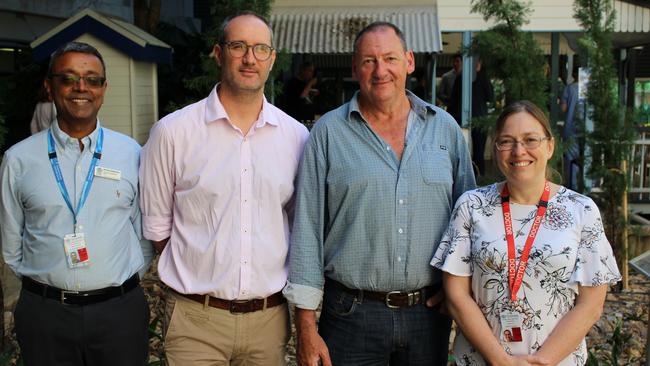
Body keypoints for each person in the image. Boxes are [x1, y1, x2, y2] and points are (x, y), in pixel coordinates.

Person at [284, 21, 476, 366]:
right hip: (349, 316)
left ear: (409, 61)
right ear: (355, 68)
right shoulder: (328, 133)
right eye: (369, 61)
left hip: (428, 315)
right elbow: (307, 229)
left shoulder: (445, 129)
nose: (380, 70)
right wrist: (306, 325)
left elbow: (470, 221)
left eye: (389, 58)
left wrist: (461, 292)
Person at [139, 11, 309, 365]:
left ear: (272, 58)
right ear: (218, 53)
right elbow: (158, 229)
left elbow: (296, 224)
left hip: (268, 322)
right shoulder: (172, 133)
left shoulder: (297, 138)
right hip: (195, 321)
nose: (250, 58)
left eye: (261, 48)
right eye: (238, 46)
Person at [431, 100, 621, 366]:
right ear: (496, 149)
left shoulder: (581, 210)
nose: (519, 151)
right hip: (480, 359)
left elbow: (591, 304)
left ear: (550, 146)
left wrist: (543, 361)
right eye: (506, 141)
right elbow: (456, 294)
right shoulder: (471, 206)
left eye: (530, 139)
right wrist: (500, 361)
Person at [0, 41, 153, 366]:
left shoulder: (131, 154)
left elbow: (143, 232)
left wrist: (115, 284)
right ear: (49, 85)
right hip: (45, 315)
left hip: (118, 314)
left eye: (92, 79)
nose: (81, 87)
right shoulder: (18, 160)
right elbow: (12, 245)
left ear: (104, 88)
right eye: (68, 78)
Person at [471, 59, 494, 176]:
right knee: (476, 152)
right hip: (474, 117)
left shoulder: (482, 78)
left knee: (479, 152)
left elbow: (490, 96)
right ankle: (478, 175)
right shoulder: (465, 77)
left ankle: (480, 175)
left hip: (480, 119)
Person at [561, 67, 581, 190]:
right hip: (586, 130)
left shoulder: (569, 88)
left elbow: (563, 108)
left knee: (571, 160)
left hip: (570, 129)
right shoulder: (589, 90)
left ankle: (572, 188)